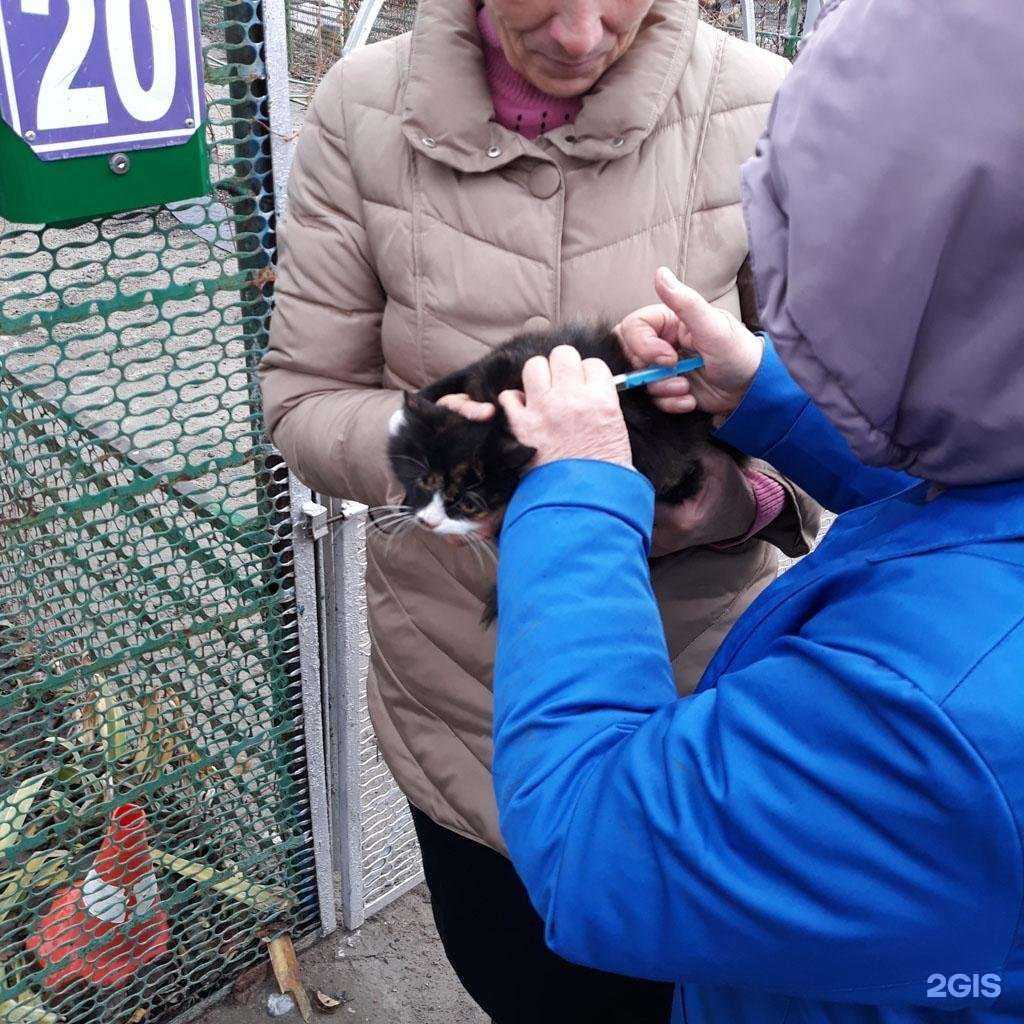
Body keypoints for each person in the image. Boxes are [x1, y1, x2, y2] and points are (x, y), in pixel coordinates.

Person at [260, 0, 820, 1019]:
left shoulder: (766, 108)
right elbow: (303, 398)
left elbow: (842, 408)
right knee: (521, 982)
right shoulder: (361, 108)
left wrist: (734, 501)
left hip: (696, 697)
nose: (577, 34)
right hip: (466, 706)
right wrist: (437, 452)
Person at [488, 1, 1024, 1020]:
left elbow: (595, 840)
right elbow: (967, 507)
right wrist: (774, 394)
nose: (575, 35)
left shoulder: (931, 715)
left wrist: (577, 487)